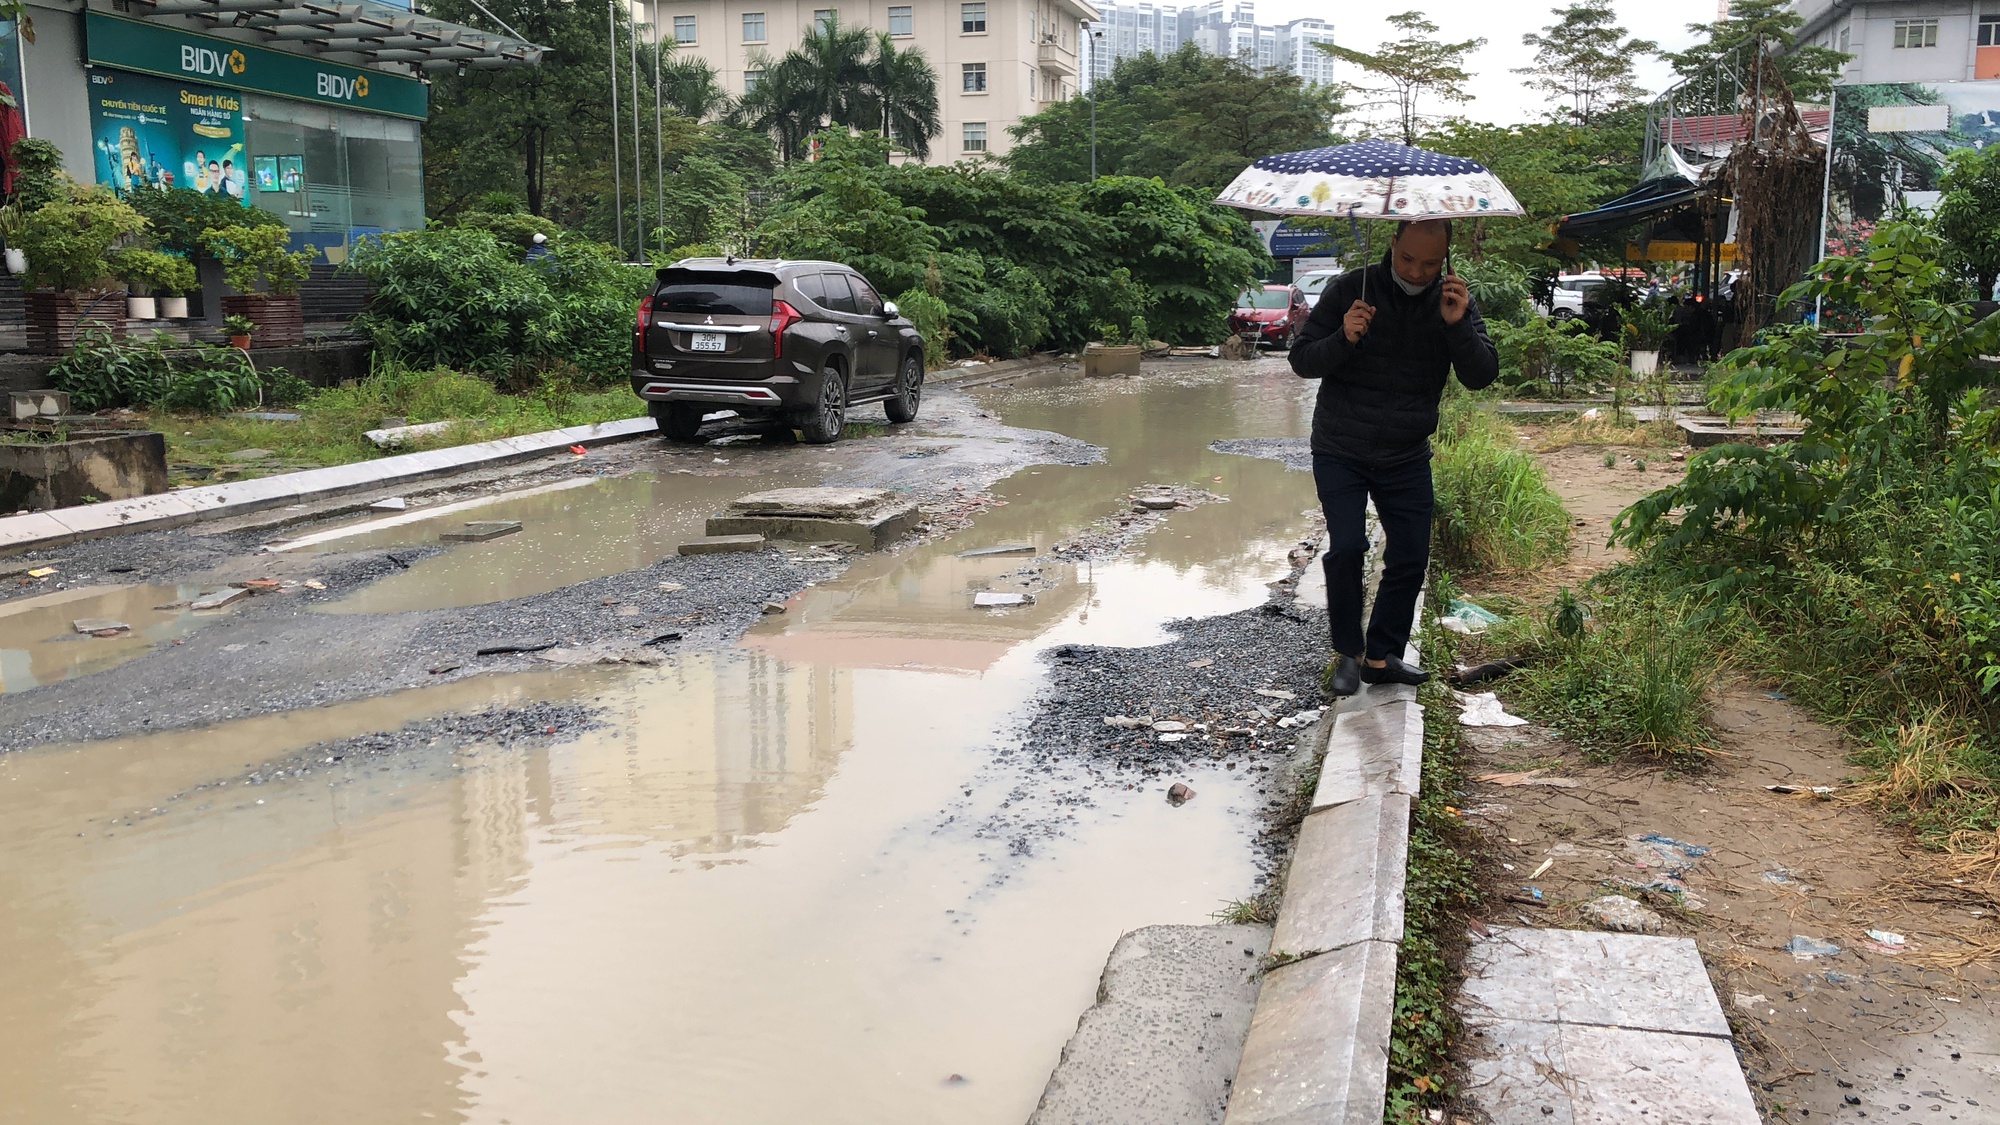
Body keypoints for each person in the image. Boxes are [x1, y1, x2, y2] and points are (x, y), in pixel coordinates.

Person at [1289, 218, 1500, 696]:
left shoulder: (1454, 301)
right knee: (1346, 548)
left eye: (1429, 263)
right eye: (1408, 259)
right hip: (1340, 446)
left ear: (1445, 257)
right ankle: (1348, 653)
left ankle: (1382, 657)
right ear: (1392, 244)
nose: (1417, 271)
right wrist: (1343, 336)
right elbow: (1302, 361)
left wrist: (1458, 325)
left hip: (1406, 452)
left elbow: (1481, 375)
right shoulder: (1350, 290)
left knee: (1409, 557)